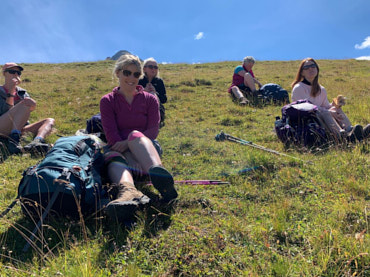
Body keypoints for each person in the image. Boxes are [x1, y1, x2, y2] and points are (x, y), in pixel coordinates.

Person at [100, 54, 178, 221]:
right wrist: (127, 151)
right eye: (127, 73)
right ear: (118, 73)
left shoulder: (150, 100)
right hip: (120, 153)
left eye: (136, 74)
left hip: (146, 152)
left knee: (135, 134)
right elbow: (111, 134)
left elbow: (152, 131)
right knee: (113, 155)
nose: (132, 78)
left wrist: (129, 143)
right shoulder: (107, 101)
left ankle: (159, 176)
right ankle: (128, 191)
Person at [291, 58, 368, 142]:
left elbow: (325, 106)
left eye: (313, 66)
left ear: (317, 69)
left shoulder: (321, 89)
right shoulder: (299, 87)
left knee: (336, 109)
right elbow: (306, 107)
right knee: (326, 112)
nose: (310, 68)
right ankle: (342, 137)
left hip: (320, 117)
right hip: (306, 120)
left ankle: (352, 132)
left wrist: (335, 104)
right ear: (302, 72)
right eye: (306, 67)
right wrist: (329, 112)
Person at [0, 62, 55, 154]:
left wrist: (33, 105)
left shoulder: (22, 92)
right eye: (12, 71)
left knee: (49, 121)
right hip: (2, 126)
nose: (16, 74)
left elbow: (27, 111)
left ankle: (36, 142)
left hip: (20, 127)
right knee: (24, 103)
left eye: (18, 73)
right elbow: (6, 112)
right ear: (4, 73)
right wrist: (12, 90)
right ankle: (14, 141)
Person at [138, 58, 167, 127]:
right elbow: (132, 96)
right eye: (150, 67)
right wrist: (144, 92)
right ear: (144, 69)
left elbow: (164, 99)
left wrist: (155, 93)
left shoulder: (159, 81)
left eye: (155, 67)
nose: (153, 69)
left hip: (157, 108)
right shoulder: (139, 81)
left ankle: (158, 121)